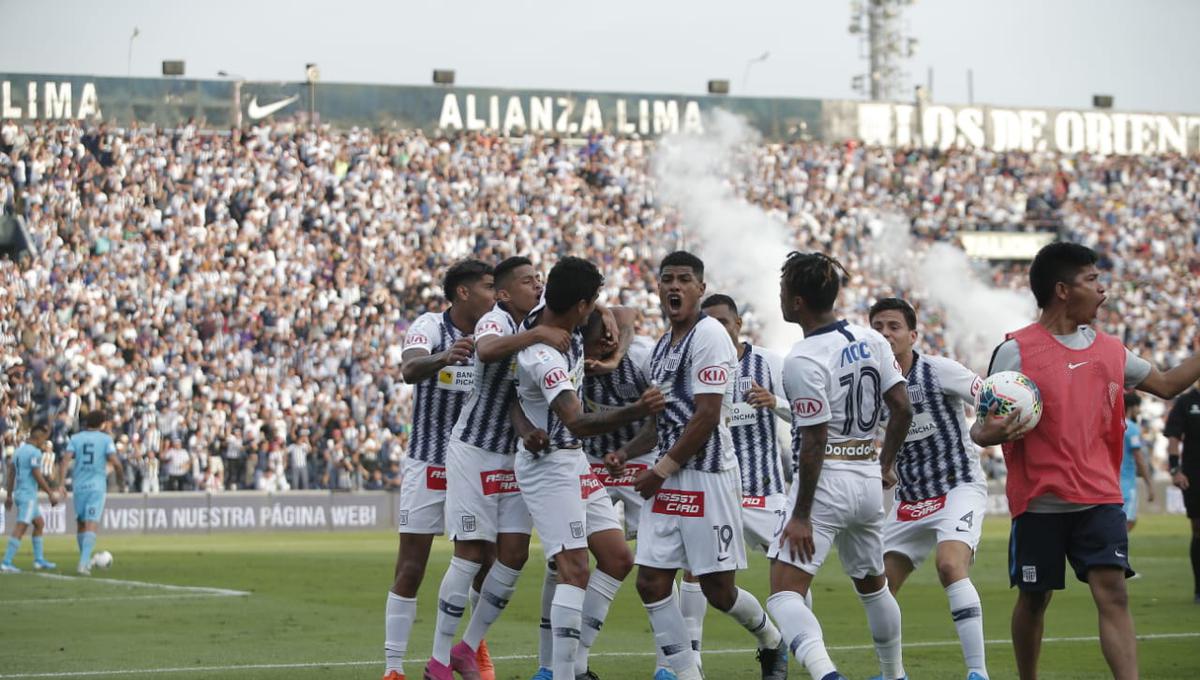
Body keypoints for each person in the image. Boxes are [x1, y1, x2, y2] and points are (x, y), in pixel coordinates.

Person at [971, 242, 1200, 680]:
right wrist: (987, 432)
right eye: (1092, 280)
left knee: (1112, 592)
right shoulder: (1015, 351)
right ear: (1062, 289)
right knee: (1035, 599)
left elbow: (1168, 385)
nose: (1103, 291)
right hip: (1039, 502)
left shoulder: (1112, 350)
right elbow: (982, 425)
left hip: (1100, 497)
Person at [626, 251, 787, 680]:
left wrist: (659, 469)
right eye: (667, 279)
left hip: (708, 478)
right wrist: (626, 454)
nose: (673, 286)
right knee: (651, 583)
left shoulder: (710, 334)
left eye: (683, 279)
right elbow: (662, 423)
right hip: (670, 479)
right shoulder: (661, 347)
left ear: (700, 287)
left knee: (718, 591)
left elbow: (707, 414)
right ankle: (686, 674)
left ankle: (772, 641)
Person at [511, 256, 666, 680]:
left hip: (574, 461)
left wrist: (601, 313)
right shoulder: (542, 355)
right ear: (578, 305)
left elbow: (625, 313)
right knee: (574, 569)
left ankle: (574, 662)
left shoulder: (560, 320)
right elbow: (577, 421)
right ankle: (561, 673)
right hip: (548, 468)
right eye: (592, 304)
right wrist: (637, 407)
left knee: (617, 558)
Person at [767, 252, 913, 680]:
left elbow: (813, 439)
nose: (779, 297)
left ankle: (826, 673)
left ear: (796, 302)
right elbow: (901, 408)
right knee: (873, 584)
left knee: (783, 594)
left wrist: (800, 515)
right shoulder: (873, 340)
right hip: (868, 474)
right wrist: (884, 463)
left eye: (782, 291)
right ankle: (894, 675)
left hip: (827, 478)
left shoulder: (803, 359)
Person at [424, 256, 570, 680]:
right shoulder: (497, 320)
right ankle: (437, 662)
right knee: (470, 554)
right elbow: (486, 352)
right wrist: (539, 333)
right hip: (473, 450)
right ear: (504, 293)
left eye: (539, 279)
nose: (537, 286)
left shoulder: (531, 326)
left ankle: (467, 647)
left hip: (515, 456)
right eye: (527, 281)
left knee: (514, 554)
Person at [383, 259, 496, 680]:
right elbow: (410, 368)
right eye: (488, 286)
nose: (494, 293)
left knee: (484, 562)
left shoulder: (496, 331)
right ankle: (394, 668)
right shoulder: (430, 325)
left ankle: (471, 647)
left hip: (476, 464)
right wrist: (446, 356)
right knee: (411, 566)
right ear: (463, 292)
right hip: (428, 462)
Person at [869, 297, 989, 680]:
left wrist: (995, 425)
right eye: (878, 328)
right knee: (878, 585)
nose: (885, 335)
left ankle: (977, 673)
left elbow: (988, 396)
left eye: (893, 327)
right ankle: (894, 675)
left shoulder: (939, 371)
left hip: (957, 488)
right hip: (909, 501)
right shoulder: (869, 386)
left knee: (950, 564)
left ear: (912, 335)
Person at [677, 294, 791, 666]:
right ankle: (687, 662)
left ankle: (796, 643)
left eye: (724, 322)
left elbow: (811, 413)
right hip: (715, 489)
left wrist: (776, 402)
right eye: (707, 323)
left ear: (738, 324)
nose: (717, 330)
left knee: (790, 576)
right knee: (696, 572)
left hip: (765, 494)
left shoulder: (770, 364)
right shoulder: (696, 367)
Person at [62, 410, 124, 575]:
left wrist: (60, 484)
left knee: (81, 524)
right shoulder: (105, 439)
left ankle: (85, 560)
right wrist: (121, 481)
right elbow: (116, 463)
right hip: (96, 486)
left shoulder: (75, 438)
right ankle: (83, 564)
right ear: (102, 423)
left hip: (79, 486)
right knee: (91, 524)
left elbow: (65, 460)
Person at [2, 423, 58, 573]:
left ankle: (39, 560)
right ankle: (6, 562)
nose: (44, 443)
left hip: (20, 493)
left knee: (39, 523)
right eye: (43, 440)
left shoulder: (18, 451)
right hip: (28, 496)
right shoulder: (34, 453)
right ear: (38, 438)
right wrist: (50, 493)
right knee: (21, 526)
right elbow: (36, 474)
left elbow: (11, 473)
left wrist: (9, 496)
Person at [1120, 393, 1154, 532]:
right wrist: (1149, 484)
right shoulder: (1132, 428)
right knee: (1128, 522)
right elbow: (1139, 458)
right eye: (1138, 407)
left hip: (1110, 482)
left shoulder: (1113, 424)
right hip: (1126, 484)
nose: (1139, 410)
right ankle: (1119, 553)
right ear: (1133, 407)